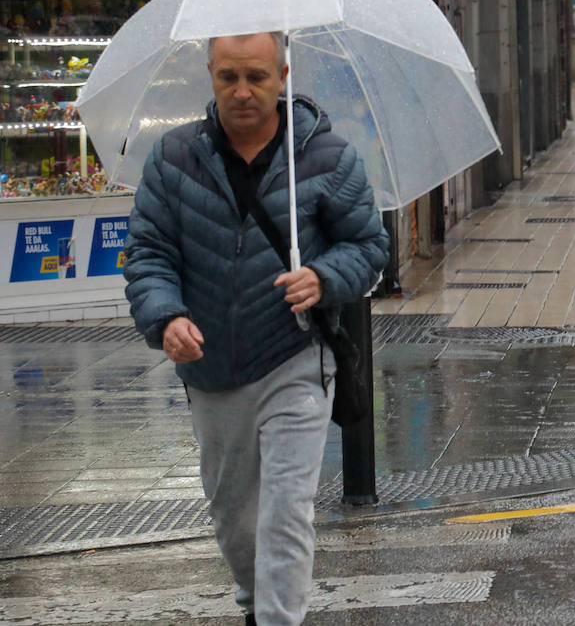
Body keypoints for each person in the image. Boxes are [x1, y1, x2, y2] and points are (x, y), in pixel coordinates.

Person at [123, 31, 388, 626]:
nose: (242, 92)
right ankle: (254, 605)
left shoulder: (326, 156)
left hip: (296, 357)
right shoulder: (173, 158)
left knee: (285, 512)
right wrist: (166, 317)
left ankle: (276, 619)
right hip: (211, 365)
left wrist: (324, 276)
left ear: (283, 75)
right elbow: (148, 255)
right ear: (211, 75)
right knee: (235, 517)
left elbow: (368, 245)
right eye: (228, 77)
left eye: (257, 78)